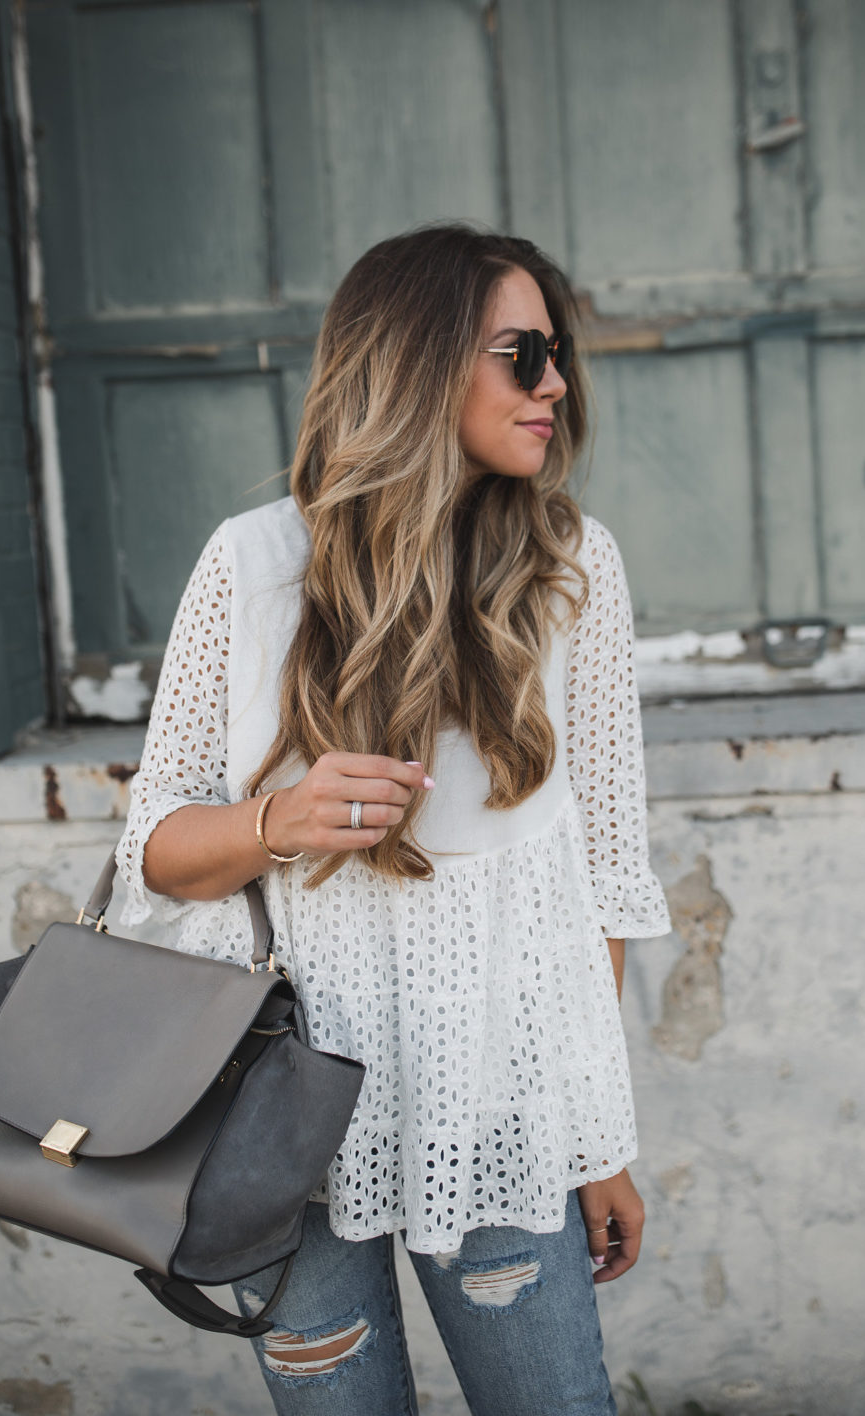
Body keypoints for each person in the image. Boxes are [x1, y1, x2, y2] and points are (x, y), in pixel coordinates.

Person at [116, 222, 671, 1416]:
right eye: (523, 354)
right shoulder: (254, 566)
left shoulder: (576, 569)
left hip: (501, 1117)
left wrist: (593, 1143)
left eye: (555, 354)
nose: (556, 384)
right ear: (418, 364)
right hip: (277, 1134)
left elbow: (605, 886)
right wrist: (279, 820)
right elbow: (152, 852)